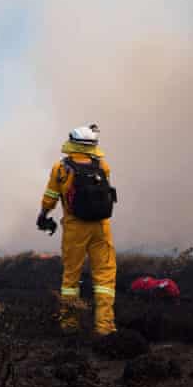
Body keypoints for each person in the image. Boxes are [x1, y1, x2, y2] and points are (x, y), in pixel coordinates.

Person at [37, 123, 117, 336]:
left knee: (71, 277)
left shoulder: (61, 169)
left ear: (72, 144)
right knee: (105, 277)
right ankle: (105, 326)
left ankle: (69, 324)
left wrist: (43, 215)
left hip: (75, 228)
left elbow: (50, 197)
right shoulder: (103, 166)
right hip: (101, 227)